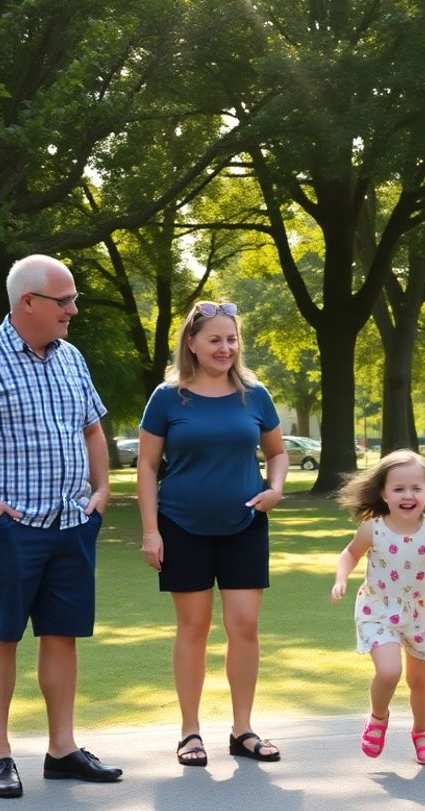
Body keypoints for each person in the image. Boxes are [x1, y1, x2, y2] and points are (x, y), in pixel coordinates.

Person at [0, 254, 121, 798]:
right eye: (65, 301)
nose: (74, 310)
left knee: (62, 636)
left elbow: (93, 429)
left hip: (71, 523)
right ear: (28, 302)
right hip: (12, 528)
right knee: (3, 633)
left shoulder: (71, 358)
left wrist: (100, 493)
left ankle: (62, 749)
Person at [137, 300, 290, 766]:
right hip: (181, 527)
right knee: (194, 628)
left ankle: (242, 730)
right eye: (215, 339)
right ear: (192, 343)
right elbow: (146, 466)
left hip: (245, 525)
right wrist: (150, 532)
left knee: (244, 626)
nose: (225, 348)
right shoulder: (167, 397)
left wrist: (275, 489)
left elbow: (278, 453)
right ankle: (190, 733)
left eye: (232, 339)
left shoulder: (254, 394)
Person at [331, 449, 425, 764]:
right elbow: (349, 554)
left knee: (419, 680)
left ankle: (422, 731)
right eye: (398, 488)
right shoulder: (372, 527)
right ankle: (378, 716)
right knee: (389, 671)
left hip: (420, 610)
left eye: (416, 488)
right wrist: (341, 579)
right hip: (378, 608)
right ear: (384, 494)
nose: (408, 495)